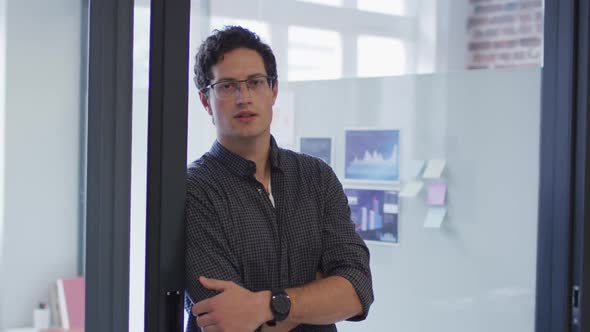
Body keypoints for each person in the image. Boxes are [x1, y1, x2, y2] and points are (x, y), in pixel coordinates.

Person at [185, 26, 373, 332]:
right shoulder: (194, 190)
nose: (243, 97)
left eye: (255, 82)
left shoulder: (316, 177)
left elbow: (357, 289)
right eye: (227, 86)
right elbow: (227, 320)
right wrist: (318, 293)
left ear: (273, 90)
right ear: (206, 101)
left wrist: (265, 306)